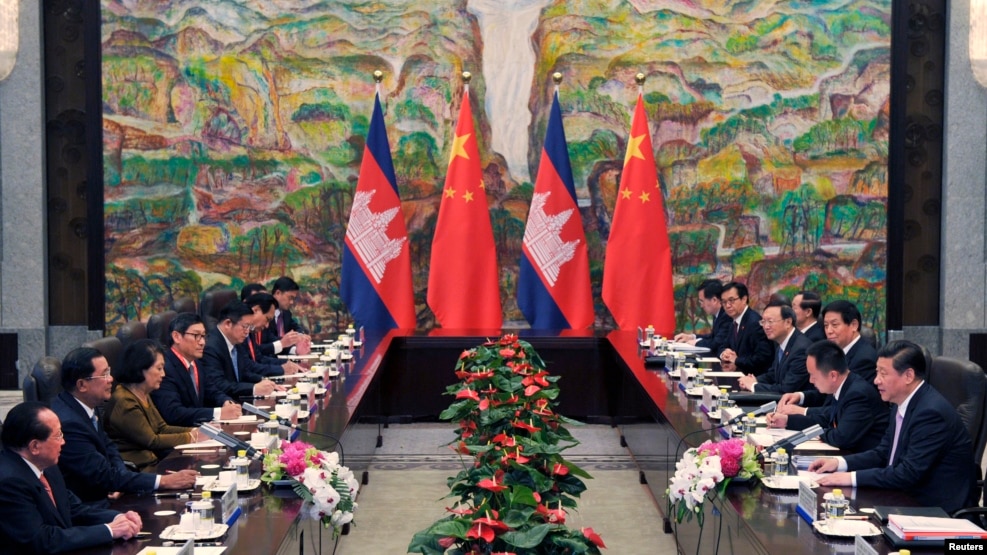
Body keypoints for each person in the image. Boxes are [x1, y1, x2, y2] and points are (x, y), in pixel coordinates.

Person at [809, 340, 977, 513]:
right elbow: (883, 452)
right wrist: (839, 463)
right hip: (902, 497)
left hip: (934, 509)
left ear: (908, 376)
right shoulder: (900, 403)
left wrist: (850, 478)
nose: (876, 381)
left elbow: (907, 474)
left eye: (883, 374)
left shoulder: (931, 413)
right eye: (876, 372)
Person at [51, 348, 199, 505]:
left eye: (109, 372)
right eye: (104, 374)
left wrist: (119, 476)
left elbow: (109, 446)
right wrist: (163, 481)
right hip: (91, 503)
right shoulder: (69, 424)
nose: (110, 379)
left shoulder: (87, 405)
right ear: (81, 385)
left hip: (111, 485)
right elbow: (100, 475)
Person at [0, 402, 142, 553]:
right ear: (35, 446)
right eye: (58, 436)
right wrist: (109, 530)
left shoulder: (48, 467)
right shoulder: (9, 482)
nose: (63, 442)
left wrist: (118, 518)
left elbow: (74, 509)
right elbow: (42, 540)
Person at [768, 340, 888, 452]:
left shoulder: (858, 394)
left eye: (813, 375)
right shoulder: (845, 386)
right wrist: (786, 421)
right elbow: (825, 419)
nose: (810, 380)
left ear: (833, 376)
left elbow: (841, 437)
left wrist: (817, 433)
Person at [104, 339, 202, 469]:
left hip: (153, 462)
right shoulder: (125, 401)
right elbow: (152, 441)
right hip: (137, 470)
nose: (163, 374)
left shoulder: (142, 392)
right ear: (140, 369)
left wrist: (197, 431)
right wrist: (191, 437)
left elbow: (162, 428)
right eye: (159, 368)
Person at [151, 312, 242, 426]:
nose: (202, 342)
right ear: (177, 337)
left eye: (203, 336)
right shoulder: (165, 368)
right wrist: (218, 413)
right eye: (196, 335)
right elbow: (173, 413)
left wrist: (226, 402)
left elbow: (211, 391)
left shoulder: (195, 363)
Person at [201, 301, 283, 400]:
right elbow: (219, 385)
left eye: (250, 327)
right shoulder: (210, 347)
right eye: (245, 326)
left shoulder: (236, 341)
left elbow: (244, 372)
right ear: (228, 323)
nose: (247, 332)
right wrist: (254, 388)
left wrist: (265, 381)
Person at [737, 303, 812, 394]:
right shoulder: (781, 342)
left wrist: (753, 386)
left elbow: (787, 389)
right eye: (763, 322)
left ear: (788, 322)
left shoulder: (801, 349)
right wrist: (754, 380)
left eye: (770, 321)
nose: (766, 326)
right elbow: (773, 374)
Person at [716, 281, 774, 375]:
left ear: (744, 299)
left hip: (753, 378)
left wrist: (737, 360)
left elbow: (763, 358)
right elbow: (722, 345)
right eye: (724, 302)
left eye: (731, 300)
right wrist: (724, 353)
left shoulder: (754, 323)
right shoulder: (734, 321)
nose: (727, 305)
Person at [243, 292, 301, 375]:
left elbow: (259, 358)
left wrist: (287, 363)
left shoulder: (250, 330)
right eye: (267, 319)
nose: (267, 326)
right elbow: (248, 366)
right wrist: (281, 369)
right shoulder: (241, 332)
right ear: (255, 310)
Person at [821, 300, 877, 383]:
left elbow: (851, 394)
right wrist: (801, 395)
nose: (829, 331)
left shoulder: (864, 359)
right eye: (826, 325)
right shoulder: (832, 351)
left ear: (854, 325)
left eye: (834, 325)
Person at [674, 279, 731, 354]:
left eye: (702, 301)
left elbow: (716, 343)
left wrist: (695, 343)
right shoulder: (718, 313)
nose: (701, 305)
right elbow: (712, 337)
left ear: (714, 300)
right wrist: (691, 337)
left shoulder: (727, 315)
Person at [261, 276, 310, 354]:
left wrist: (301, 336)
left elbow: (296, 327)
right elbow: (268, 340)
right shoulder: (264, 313)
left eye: (293, 299)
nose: (291, 302)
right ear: (278, 293)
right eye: (290, 298)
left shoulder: (286, 313)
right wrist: (287, 341)